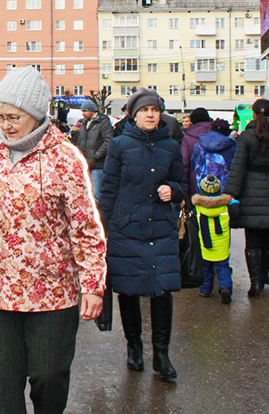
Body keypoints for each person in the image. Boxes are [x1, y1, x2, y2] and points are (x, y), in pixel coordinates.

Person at [0, 66, 106, 413]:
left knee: (48, 376)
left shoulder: (65, 158)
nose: (5, 124)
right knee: (2, 390)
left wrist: (93, 285)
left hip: (51, 294)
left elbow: (85, 227)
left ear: (37, 115)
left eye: (14, 117)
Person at [100, 87, 186, 382]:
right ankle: (134, 346)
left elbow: (183, 182)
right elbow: (108, 188)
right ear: (134, 115)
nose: (151, 114)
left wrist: (173, 190)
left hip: (160, 227)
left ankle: (161, 354)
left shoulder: (171, 146)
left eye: (155, 110)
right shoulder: (119, 145)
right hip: (127, 227)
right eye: (145, 110)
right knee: (129, 289)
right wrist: (104, 227)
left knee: (162, 290)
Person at [222, 99, 269, 298]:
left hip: (251, 192)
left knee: (253, 241)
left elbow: (238, 167)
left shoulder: (247, 136)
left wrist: (230, 194)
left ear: (254, 113)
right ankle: (265, 276)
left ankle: (256, 284)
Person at [192, 175, 233, 303]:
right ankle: (225, 287)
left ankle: (205, 290)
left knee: (206, 269)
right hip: (222, 244)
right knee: (223, 268)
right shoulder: (226, 207)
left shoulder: (197, 207)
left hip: (205, 244)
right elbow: (236, 215)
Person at [72, 99, 114, 200]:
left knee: (96, 194)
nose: (83, 113)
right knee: (85, 193)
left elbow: (108, 140)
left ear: (92, 111)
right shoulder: (83, 123)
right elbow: (80, 140)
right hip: (85, 163)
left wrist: (97, 155)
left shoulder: (103, 122)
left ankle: (98, 215)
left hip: (97, 165)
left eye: (85, 111)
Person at [181, 107, 213, 197]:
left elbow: (184, 162)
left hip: (195, 180)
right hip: (219, 179)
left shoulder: (188, 136)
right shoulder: (218, 132)